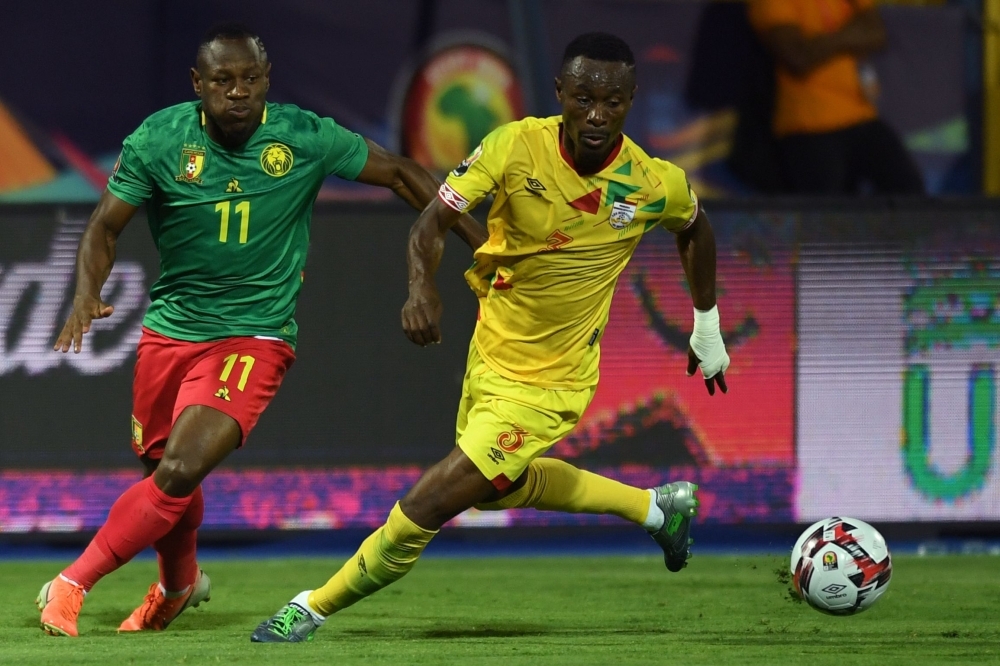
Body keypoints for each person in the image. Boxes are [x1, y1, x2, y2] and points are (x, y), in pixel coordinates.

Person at [252, 32, 730, 644]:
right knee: (499, 489)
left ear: (631, 101)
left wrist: (707, 324)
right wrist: (420, 287)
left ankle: (311, 608)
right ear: (561, 92)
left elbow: (696, 227)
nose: (595, 114)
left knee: (431, 502)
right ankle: (657, 509)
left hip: (552, 382)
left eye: (612, 102)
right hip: (491, 354)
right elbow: (433, 220)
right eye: (582, 97)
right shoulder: (512, 147)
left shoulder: (651, 182)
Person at [35, 24, 487, 638]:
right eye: (223, 80)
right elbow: (104, 227)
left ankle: (71, 585)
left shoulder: (302, 135)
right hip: (171, 332)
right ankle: (177, 584)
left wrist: (483, 245)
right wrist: (87, 291)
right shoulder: (159, 139)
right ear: (199, 85)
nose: (238, 91)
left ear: (266, 80)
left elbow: (406, 174)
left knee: (179, 469)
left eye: (250, 79)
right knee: (164, 475)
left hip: (256, 335)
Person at [748, 0, 925, 194]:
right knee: (826, 213)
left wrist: (822, 42)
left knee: (909, 192)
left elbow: (878, 34)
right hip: (810, 124)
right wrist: (851, 34)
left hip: (861, 115)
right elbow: (798, 57)